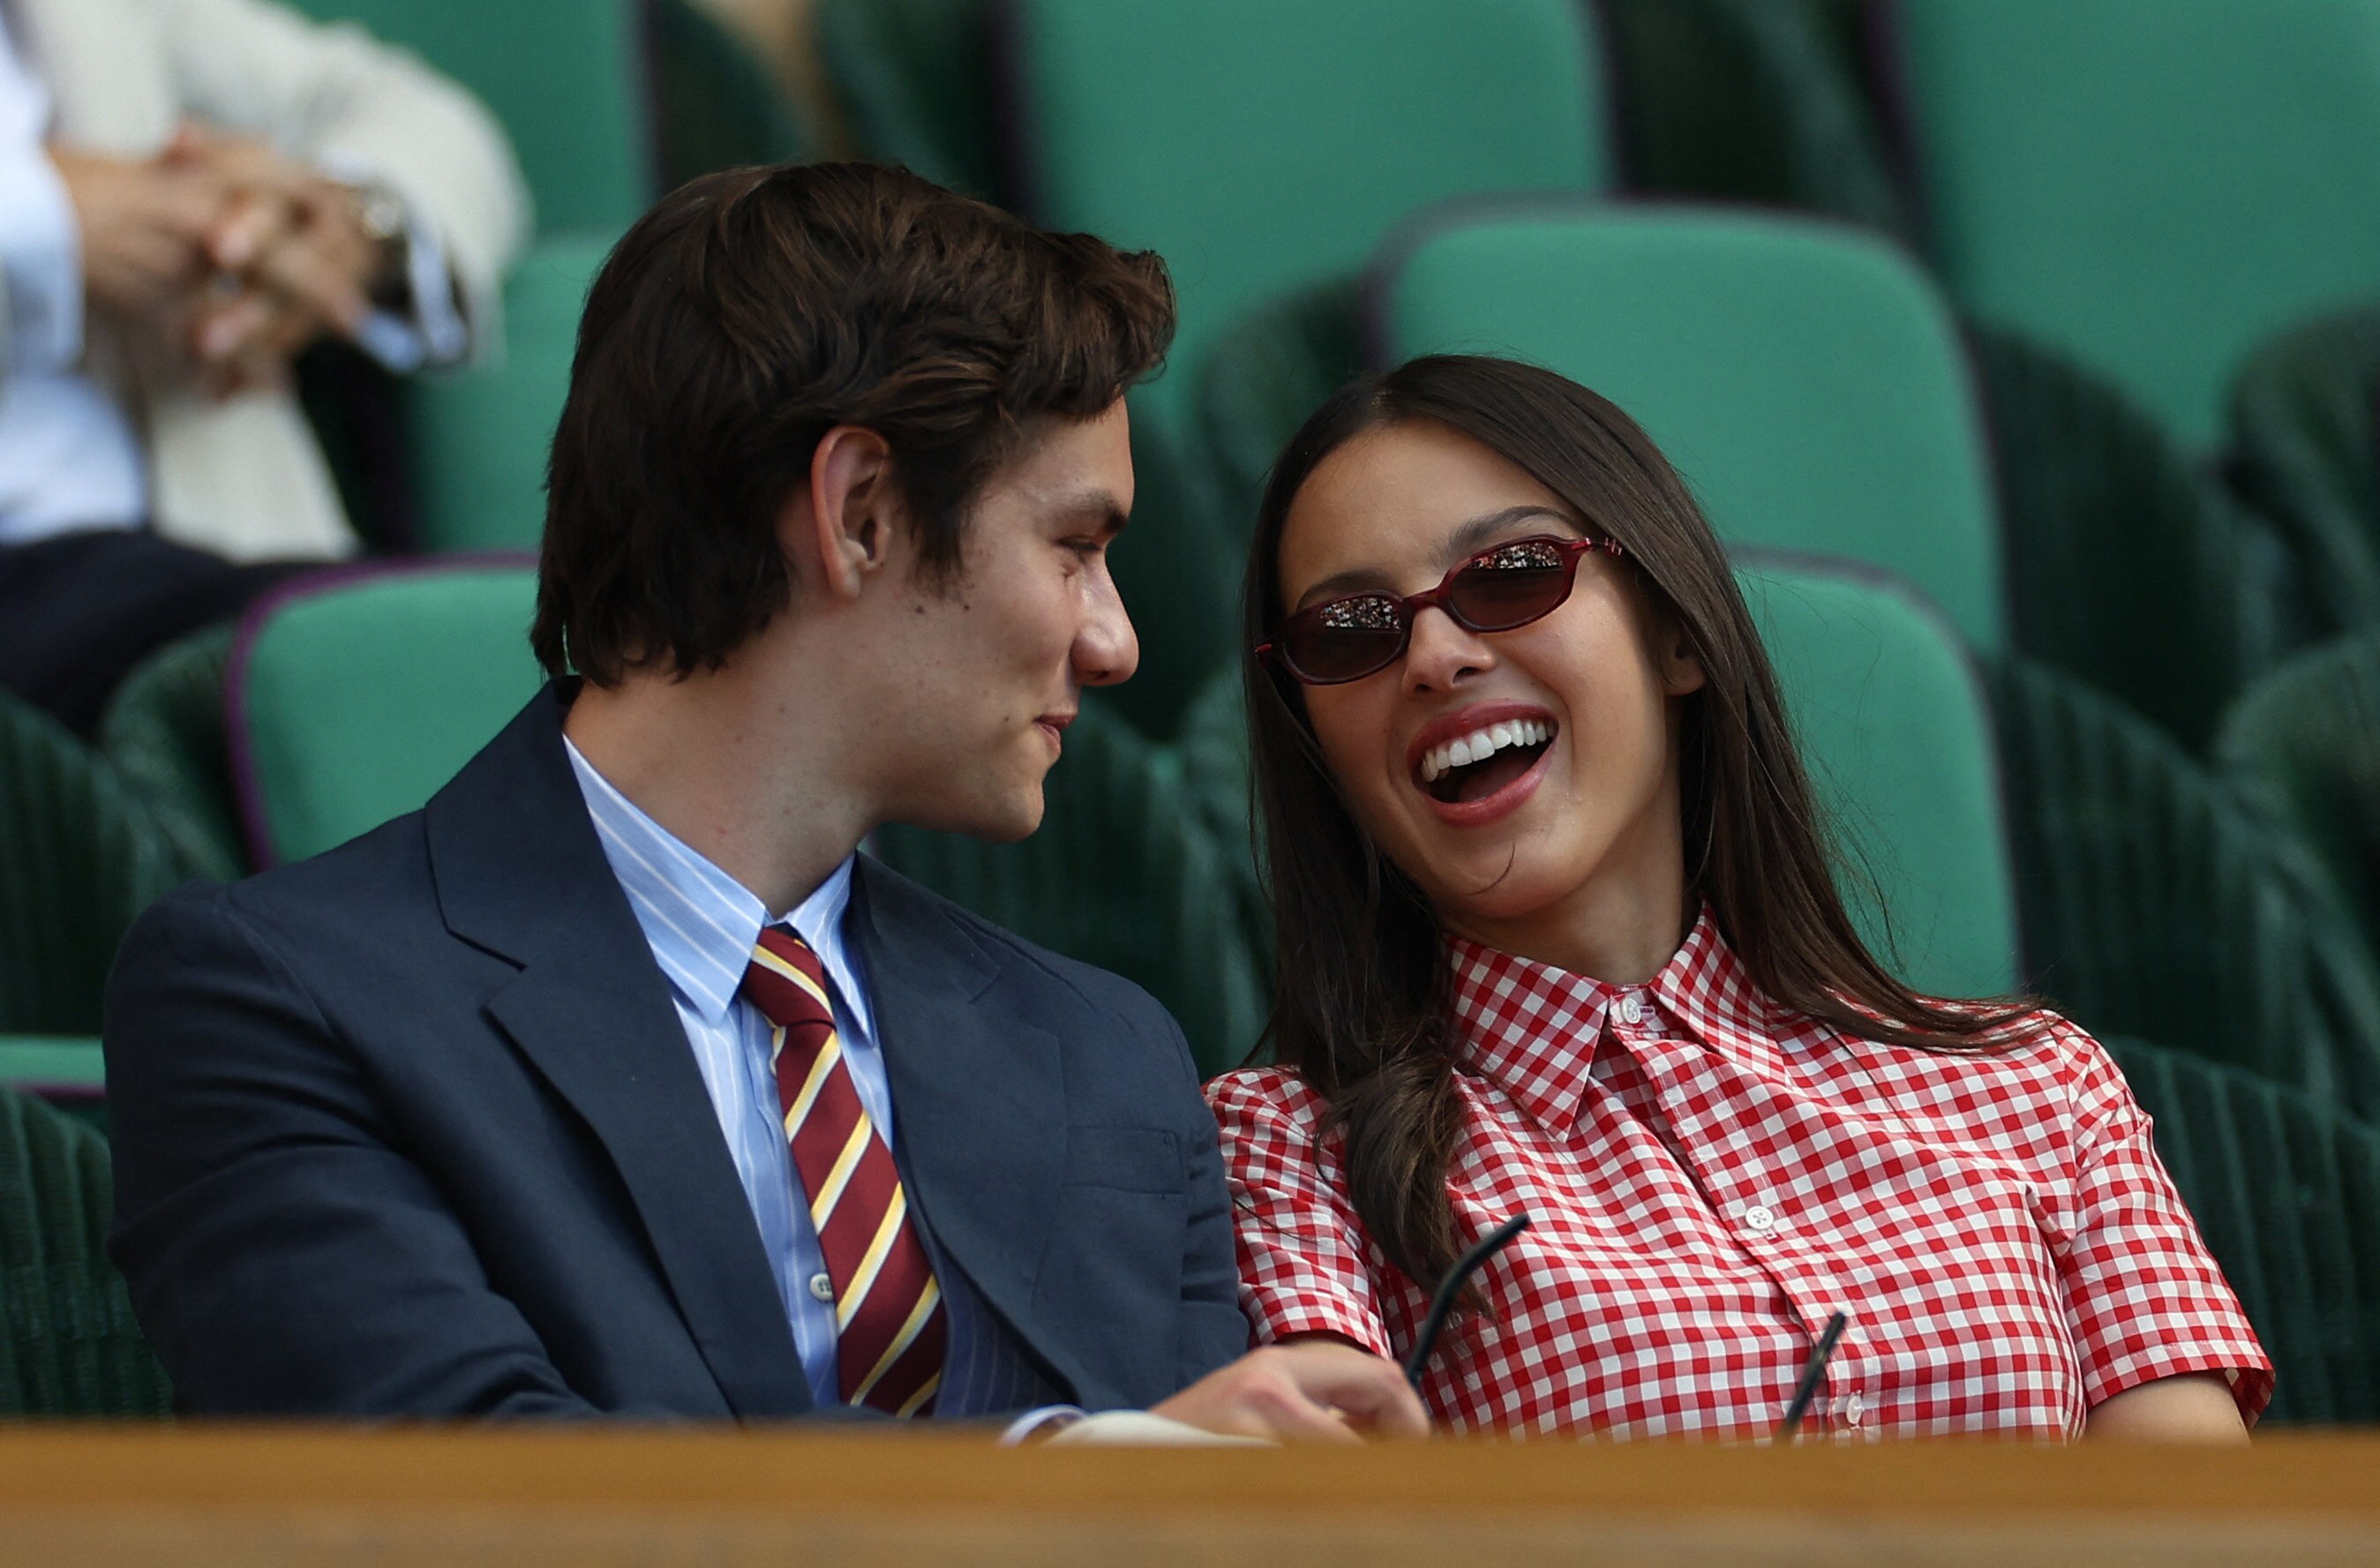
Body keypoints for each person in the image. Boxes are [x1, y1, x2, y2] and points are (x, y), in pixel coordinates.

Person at [102, 161, 1423, 1441]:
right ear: (857, 512)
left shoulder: (1108, 1055)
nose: (1114, 641)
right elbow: (461, 1494)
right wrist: (1059, 1471)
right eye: (1074, 548)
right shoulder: (274, 1002)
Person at [1208, 354, 2271, 1442]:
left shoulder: (2037, 1087)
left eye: (1512, 572)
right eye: (1349, 634)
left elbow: (2197, 1530)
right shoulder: (1288, 1157)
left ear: (1676, 634)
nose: (1433, 656)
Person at [0, 0, 526, 732]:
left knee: (528, 667)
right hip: (48, 595)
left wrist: (338, 226)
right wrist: (43, 216)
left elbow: (421, 115)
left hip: (198, 569)